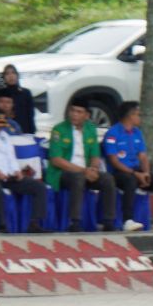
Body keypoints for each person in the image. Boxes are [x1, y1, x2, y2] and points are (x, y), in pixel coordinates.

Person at [102, 101, 153, 232]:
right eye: (138, 114)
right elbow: (114, 161)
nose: (140, 118)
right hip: (119, 172)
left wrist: (146, 173)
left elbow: (143, 157)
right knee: (130, 181)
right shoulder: (113, 133)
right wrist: (135, 174)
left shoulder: (137, 133)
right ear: (130, 116)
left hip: (137, 171)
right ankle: (128, 220)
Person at [0, 108, 48, 233]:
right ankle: (2, 225)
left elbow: (11, 158)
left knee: (39, 187)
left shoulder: (4, 136)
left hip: (8, 176)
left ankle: (34, 223)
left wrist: (17, 171)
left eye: (1, 125)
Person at [46, 97, 118, 232]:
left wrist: (94, 169)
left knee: (108, 179)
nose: (74, 114)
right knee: (78, 178)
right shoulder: (59, 130)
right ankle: (75, 222)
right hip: (62, 173)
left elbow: (95, 155)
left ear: (87, 115)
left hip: (86, 171)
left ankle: (108, 221)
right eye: (72, 111)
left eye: (79, 112)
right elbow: (56, 160)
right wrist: (84, 171)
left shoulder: (91, 129)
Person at [0, 64, 36, 135]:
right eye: (7, 74)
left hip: (24, 131)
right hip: (6, 132)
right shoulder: (0, 93)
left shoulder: (26, 93)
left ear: (17, 75)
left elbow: (30, 114)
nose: (11, 76)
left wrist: (32, 132)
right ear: (4, 77)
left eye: (13, 73)